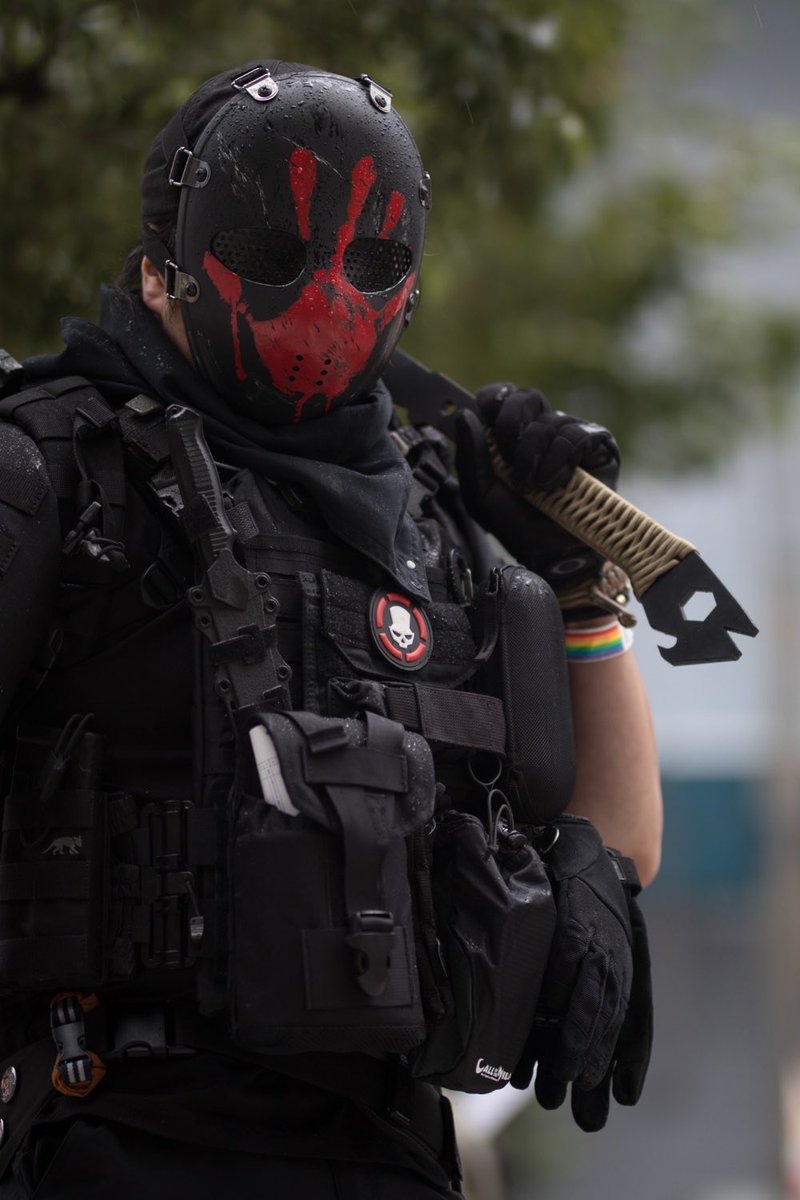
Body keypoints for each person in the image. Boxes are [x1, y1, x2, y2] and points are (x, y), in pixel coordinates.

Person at [0, 59, 661, 1199]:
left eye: (370, 259)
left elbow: (622, 838)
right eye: (268, 247)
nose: (321, 297)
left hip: (390, 1149)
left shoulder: (439, 527)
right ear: (160, 263)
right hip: (114, 1135)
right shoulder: (54, 472)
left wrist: (576, 588)